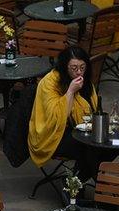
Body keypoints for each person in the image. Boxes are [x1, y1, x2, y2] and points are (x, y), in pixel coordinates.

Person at [28, 46, 107, 182]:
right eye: (74, 68)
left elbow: (93, 108)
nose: (79, 72)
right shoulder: (49, 82)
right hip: (54, 133)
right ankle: (96, 185)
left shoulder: (85, 80)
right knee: (92, 149)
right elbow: (56, 117)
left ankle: (79, 182)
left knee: (109, 146)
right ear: (65, 67)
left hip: (80, 129)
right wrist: (70, 92)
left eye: (82, 67)